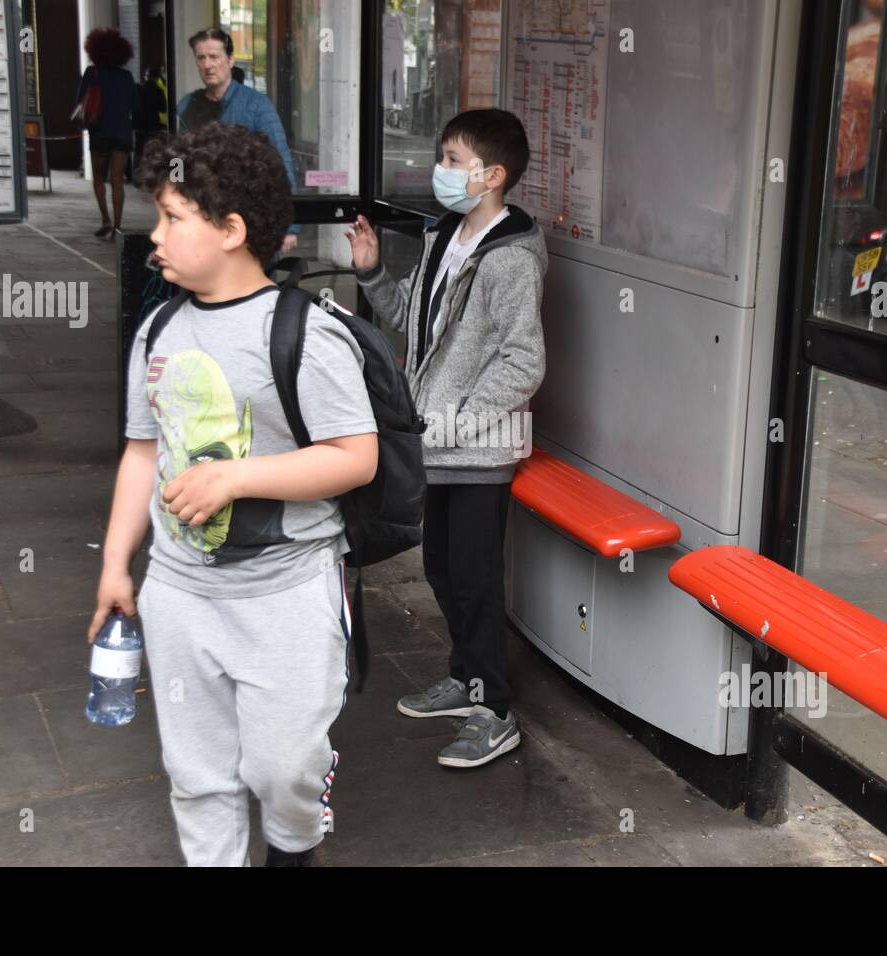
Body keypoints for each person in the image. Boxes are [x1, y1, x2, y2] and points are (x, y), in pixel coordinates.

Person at [90, 121, 378, 866]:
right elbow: (141, 452)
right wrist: (118, 565)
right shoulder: (156, 328)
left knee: (285, 771)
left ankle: (292, 849)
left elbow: (356, 457)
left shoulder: (306, 333)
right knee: (198, 776)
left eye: (172, 218)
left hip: (287, 594)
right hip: (180, 592)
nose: (153, 235)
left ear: (231, 231)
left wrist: (237, 476)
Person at [345, 108, 546, 768]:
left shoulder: (511, 260)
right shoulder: (445, 238)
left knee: (476, 580)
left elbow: (523, 361)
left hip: (478, 448)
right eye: (444, 156)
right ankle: (467, 679)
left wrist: (459, 415)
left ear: (492, 175)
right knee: (441, 569)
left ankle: (494, 712)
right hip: (436, 441)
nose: (442, 168)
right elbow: (412, 321)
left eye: (455, 159)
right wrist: (373, 273)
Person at [178, 27, 298, 255]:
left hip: (250, 219)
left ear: (230, 60)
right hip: (204, 219)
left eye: (214, 57)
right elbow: (178, 159)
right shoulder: (187, 106)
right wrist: (176, 198)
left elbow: (280, 162)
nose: (207, 65)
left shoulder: (256, 106)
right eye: (201, 57)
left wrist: (289, 226)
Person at [74, 28, 138, 238]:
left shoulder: (92, 74)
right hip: (122, 132)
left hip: (99, 131)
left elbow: (80, 102)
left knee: (99, 178)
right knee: (117, 180)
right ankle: (118, 226)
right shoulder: (127, 76)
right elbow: (135, 105)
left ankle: (105, 220)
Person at [133, 65, 167, 177]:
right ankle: (150, 177)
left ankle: (137, 178)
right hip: (153, 125)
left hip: (139, 125)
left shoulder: (138, 88)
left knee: (138, 152)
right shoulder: (158, 91)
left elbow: (133, 106)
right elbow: (163, 108)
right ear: (156, 78)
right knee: (153, 152)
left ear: (145, 76)